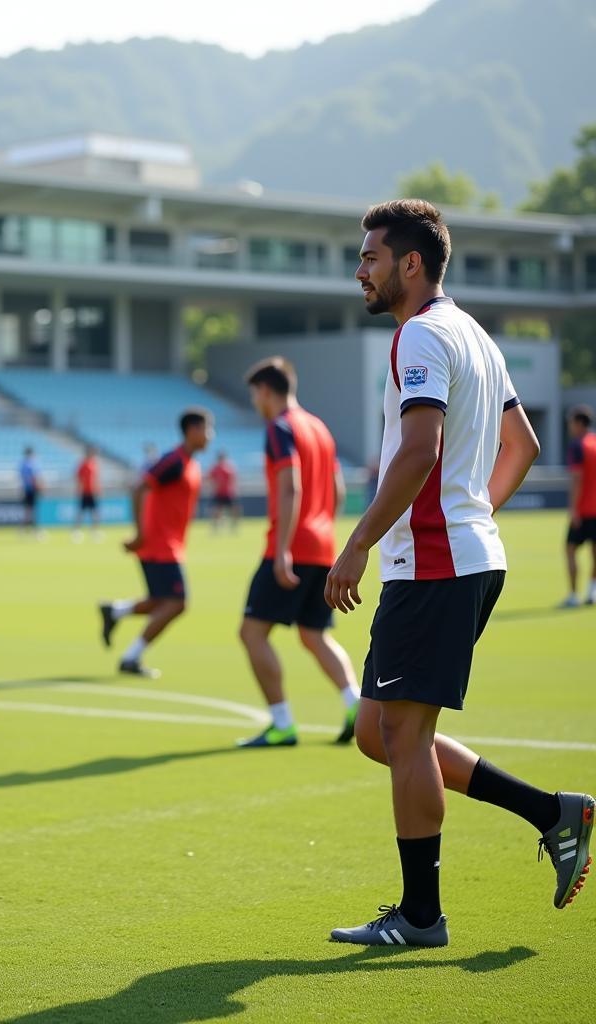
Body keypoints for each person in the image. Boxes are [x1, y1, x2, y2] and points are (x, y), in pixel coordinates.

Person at [326, 198, 593, 948]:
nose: (362, 269)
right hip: (456, 557)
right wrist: (476, 514)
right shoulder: (471, 332)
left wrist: (358, 544)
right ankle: (553, 812)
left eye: (372, 257)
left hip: (436, 566)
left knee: (403, 740)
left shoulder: (419, 336)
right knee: (378, 733)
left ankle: (420, 918)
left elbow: (417, 452)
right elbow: (526, 442)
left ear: (411, 263)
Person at [236, 358, 360, 748]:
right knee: (314, 634)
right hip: (322, 545)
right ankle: (355, 705)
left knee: (252, 633)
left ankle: (282, 723)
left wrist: (284, 550)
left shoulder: (280, 428)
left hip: (292, 544)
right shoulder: (319, 428)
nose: (256, 401)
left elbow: (292, 488)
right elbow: (338, 490)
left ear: (266, 391)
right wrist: (322, 527)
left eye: (255, 394)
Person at [99, 409, 213, 677]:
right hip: (159, 546)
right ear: (192, 430)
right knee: (177, 603)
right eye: (208, 429)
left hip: (169, 545)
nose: (211, 436)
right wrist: (140, 535)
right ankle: (131, 657)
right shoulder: (173, 460)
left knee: (160, 600)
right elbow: (140, 487)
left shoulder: (190, 464)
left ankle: (114, 611)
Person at [561, 404, 596, 607]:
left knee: (570, 549)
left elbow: (577, 478)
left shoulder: (577, 445)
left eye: (572, 423)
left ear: (580, 423)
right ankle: (592, 591)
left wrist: (573, 509)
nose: (570, 426)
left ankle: (574, 595)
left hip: (584, 510)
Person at [208, 451, 241, 533]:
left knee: (234, 510)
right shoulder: (215, 468)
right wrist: (213, 486)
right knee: (216, 511)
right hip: (219, 493)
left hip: (228, 493)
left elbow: (233, 479)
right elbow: (210, 478)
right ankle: (215, 528)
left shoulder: (228, 468)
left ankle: (234, 527)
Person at [73, 445, 101, 540]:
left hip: (93, 492)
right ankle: (77, 530)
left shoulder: (94, 464)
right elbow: (79, 478)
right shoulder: (83, 464)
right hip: (85, 492)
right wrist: (79, 489)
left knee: (95, 512)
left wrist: (98, 489)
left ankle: (94, 531)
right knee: (81, 511)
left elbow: (95, 479)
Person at [19, 446, 41, 534]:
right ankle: (33, 529)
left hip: (26, 489)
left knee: (28, 511)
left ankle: (25, 529)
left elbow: (22, 477)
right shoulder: (31, 464)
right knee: (32, 511)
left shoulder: (22, 464)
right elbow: (34, 477)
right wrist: (38, 486)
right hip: (32, 489)